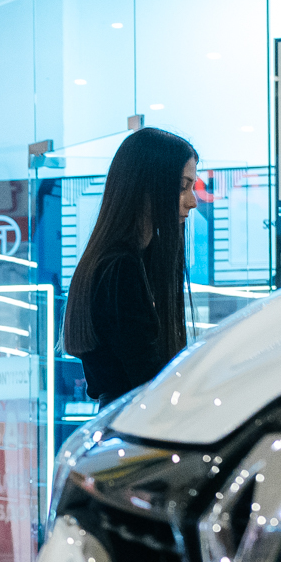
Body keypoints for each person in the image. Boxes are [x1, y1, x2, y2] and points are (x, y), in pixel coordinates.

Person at [65, 127, 199, 404]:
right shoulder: (120, 268)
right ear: (148, 185)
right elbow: (147, 374)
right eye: (182, 187)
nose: (193, 201)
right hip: (134, 418)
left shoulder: (126, 261)